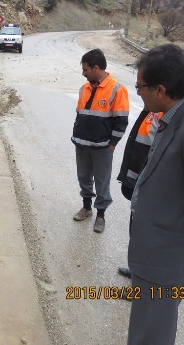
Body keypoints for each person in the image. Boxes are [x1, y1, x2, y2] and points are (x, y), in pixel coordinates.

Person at [127, 43, 184, 345]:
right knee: (149, 329)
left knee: (151, 336)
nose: (138, 92)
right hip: (155, 254)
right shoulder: (175, 113)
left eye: (140, 87)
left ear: (161, 89)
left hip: (164, 260)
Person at [71, 48, 129, 233]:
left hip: (103, 147)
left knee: (102, 182)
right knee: (83, 178)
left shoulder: (117, 89)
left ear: (97, 68)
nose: (83, 73)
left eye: (86, 70)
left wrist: (112, 144)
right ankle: (86, 207)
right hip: (81, 143)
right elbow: (80, 115)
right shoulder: (84, 89)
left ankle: (101, 215)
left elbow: (121, 121)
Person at [116, 109, 163, 279]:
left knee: (148, 237)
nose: (138, 92)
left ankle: (143, 283)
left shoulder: (169, 114)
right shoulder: (152, 109)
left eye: (140, 87)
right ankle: (137, 270)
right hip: (139, 182)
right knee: (136, 232)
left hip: (152, 187)